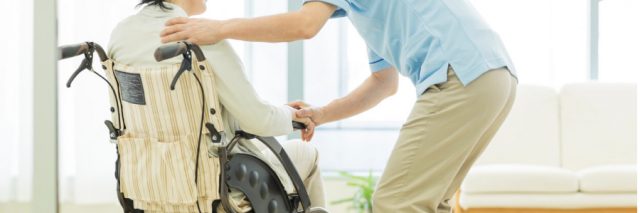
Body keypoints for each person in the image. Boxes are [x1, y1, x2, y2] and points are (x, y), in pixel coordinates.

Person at [161, 0, 519, 212]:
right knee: (429, 202)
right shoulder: (372, 13)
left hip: (462, 75)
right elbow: (384, 84)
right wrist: (322, 114)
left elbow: (303, 25)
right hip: (492, 77)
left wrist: (219, 28)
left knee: (396, 202)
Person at [108, 0, 326, 211]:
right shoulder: (201, 37)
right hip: (215, 192)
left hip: (149, 190)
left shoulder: (122, 34)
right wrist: (292, 114)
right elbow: (260, 121)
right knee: (305, 152)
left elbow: (177, 115)